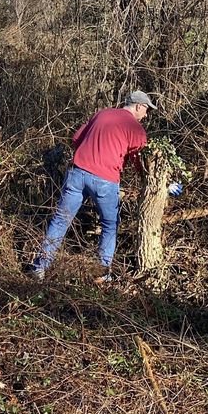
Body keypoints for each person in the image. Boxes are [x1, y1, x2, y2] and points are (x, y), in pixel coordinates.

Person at [30, 90, 157, 282]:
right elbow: (139, 160)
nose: (146, 115)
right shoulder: (135, 128)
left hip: (77, 173)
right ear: (139, 106)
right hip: (105, 181)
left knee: (60, 220)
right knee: (109, 225)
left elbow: (76, 139)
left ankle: (40, 267)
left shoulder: (103, 113)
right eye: (146, 110)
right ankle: (102, 273)